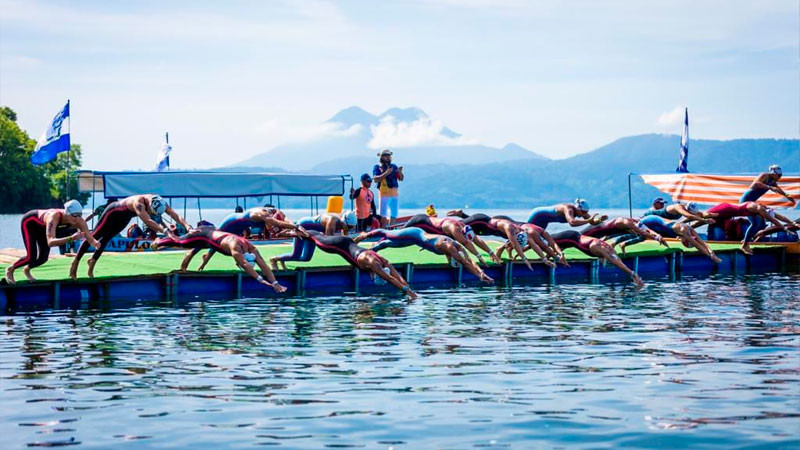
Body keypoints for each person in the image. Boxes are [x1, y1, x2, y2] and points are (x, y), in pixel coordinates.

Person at [70, 194, 192, 279]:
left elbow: (175, 215)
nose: (150, 212)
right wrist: (166, 231)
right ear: (149, 206)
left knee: (106, 239)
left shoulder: (160, 202)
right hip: (112, 212)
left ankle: (92, 263)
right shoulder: (138, 203)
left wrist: (188, 227)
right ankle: (75, 263)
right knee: (94, 236)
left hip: (125, 217)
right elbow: (148, 221)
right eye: (150, 211)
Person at [274, 230, 418, 299]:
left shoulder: (383, 261)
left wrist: (410, 289)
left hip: (347, 242)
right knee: (316, 238)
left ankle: (292, 231)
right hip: (336, 246)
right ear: (377, 275)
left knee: (317, 235)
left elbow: (396, 276)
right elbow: (391, 279)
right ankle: (290, 231)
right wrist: (408, 292)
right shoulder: (375, 265)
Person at [151, 227, 287, 293]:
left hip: (213, 241)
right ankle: (160, 240)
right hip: (204, 234)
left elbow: (263, 265)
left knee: (190, 249)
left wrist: (275, 282)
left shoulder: (252, 249)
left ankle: (172, 245)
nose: (238, 263)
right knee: (180, 242)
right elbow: (245, 265)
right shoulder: (236, 248)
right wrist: (261, 280)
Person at [4, 200, 100, 284]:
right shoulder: (54, 217)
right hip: (30, 223)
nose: (77, 218)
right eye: (75, 216)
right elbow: (51, 242)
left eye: (80, 215)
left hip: (44, 230)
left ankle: (27, 269)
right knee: (31, 256)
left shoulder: (79, 220)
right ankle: (11, 269)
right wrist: (71, 238)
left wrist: (96, 243)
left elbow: (89, 238)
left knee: (43, 258)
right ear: (67, 213)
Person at [353, 227, 494, 283]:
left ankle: (371, 250)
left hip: (416, 240)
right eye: (451, 258)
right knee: (385, 235)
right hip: (414, 234)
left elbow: (470, 260)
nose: (449, 258)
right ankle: (359, 238)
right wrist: (478, 275)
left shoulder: (459, 248)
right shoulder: (450, 247)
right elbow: (466, 263)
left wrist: (481, 273)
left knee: (386, 243)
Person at [548, 230, 644, 287]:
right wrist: (633, 274)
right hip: (569, 237)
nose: (601, 262)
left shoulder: (611, 251)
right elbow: (616, 262)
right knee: (544, 241)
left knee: (550, 247)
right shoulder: (603, 250)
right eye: (604, 262)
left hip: (572, 240)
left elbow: (618, 261)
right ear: (606, 259)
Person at [401, 214, 500, 265]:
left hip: (431, 228)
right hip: (420, 221)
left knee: (448, 246)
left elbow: (477, 240)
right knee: (398, 235)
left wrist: (491, 252)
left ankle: (450, 263)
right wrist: (479, 256)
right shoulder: (455, 229)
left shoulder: (463, 227)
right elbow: (465, 243)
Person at [460, 213, 537, 271]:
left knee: (467, 234)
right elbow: (515, 244)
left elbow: (514, 244)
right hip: (481, 222)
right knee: (457, 227)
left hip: (484, 227)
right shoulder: (509, 228)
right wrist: (524, 259)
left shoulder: (517, 230)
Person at [705, 202, 789, 254]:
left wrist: (791, 223)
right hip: (726, 209)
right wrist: (784, 228)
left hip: (730, 213)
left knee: (756, 225)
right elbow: (773, 220)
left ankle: (745, 243)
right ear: (764, 214)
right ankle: (745, 244)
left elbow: (779, 217)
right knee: (704, 217)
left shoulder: (764, 210)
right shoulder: (759, 209)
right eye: (764, 217)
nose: (764, 218)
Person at [637, 215, 722, 262]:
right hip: (649, 221)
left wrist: (712, 253)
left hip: (653, 219)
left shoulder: (689, 229)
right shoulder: (683, 231)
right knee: (637, 233)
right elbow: (697, 245)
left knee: (646, 232)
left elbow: (702, 242)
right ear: (686, 239)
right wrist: (711, 257)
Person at [581, 216, 668, 246]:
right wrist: (656, 238)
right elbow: (642, 232)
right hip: (596, 229)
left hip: (602, 233)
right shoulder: (627, 222)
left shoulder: (636, 222)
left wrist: (658, 235)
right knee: (579, 237)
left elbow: (646, 229)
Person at [526, 199, 606, 229]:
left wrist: (600, 220)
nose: (584, 214)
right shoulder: (568, 209)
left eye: (586, 212)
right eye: (583, 212)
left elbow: (592, 222)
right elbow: (572, 223)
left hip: (544, 221)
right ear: (578, 208)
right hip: (537, 215)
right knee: (524, 234)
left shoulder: (581, 211)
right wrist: (588, 220)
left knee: (537, 239)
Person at [373, 149, 403, 226]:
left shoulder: (394, 166)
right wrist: (386, 173)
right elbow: (375, 179)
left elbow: (401, 178)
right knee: (383, 215)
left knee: (394, 214)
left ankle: (392, 229)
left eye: (388, 156)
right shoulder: (377, 167)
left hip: (394, 194)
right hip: (384, 194)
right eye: (385, 156)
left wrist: (399, 172)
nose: (387, 157)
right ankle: (382, 230)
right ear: (381, 157)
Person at [644, 199, 713, 226]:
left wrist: (713, 214)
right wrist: (704, 220)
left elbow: (699, 213)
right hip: (651, 215)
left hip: (661, 219)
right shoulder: (678, 207)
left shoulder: (687, 208)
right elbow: (689, 216)